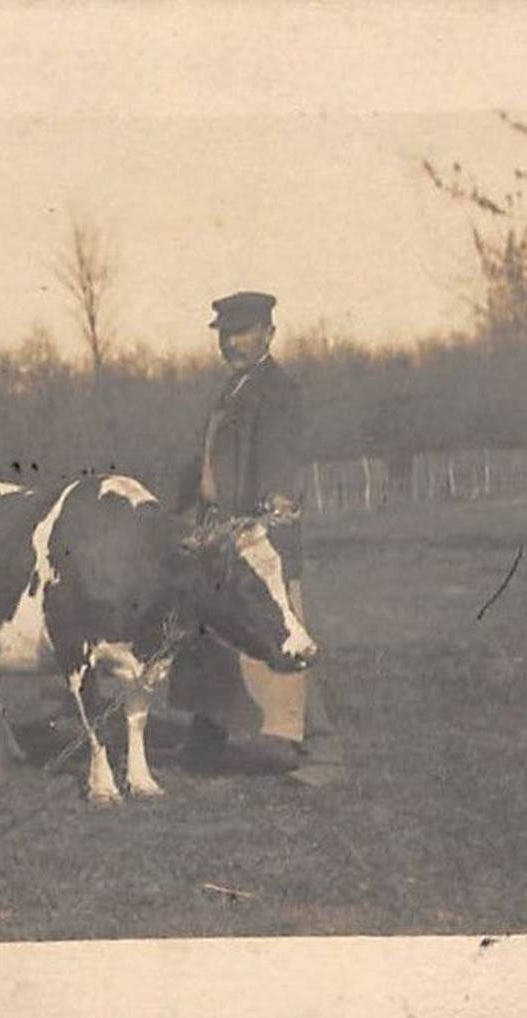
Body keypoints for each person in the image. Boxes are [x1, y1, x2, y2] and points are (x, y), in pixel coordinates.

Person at [170, 290, 343, 785]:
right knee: (211, 641)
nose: (231, 342)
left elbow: (279, 453)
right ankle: (206, 742)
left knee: (284, 636)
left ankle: (324, 751)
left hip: (257, 538)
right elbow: (205, 463)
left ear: (269, 332)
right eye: (225, 334)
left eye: (242, 332)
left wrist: (275, 501)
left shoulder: (276, 389)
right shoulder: (232, 390)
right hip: (219, 537)